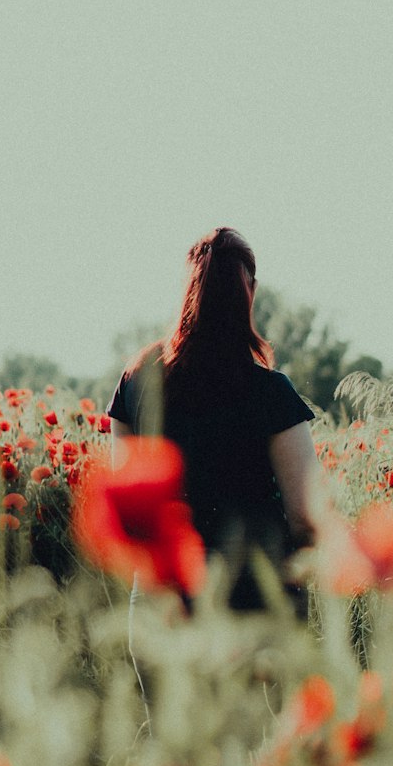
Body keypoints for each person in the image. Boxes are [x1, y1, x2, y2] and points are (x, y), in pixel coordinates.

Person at [107, 227, 319, 615]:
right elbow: (306, 518)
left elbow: (125, 491)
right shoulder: (271, 393)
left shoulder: (138, 380)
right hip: (253, 602)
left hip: (161, 600)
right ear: (249, 291)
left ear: (188, 289)